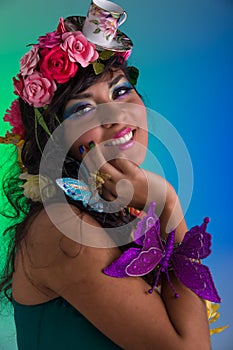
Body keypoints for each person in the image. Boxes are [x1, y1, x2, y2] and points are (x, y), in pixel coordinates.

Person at [0, 9, 225, 350]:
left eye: (120, 92)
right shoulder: (64, 231)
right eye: (83, 109)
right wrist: (166, 202)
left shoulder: (121, 211)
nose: (115, 115)